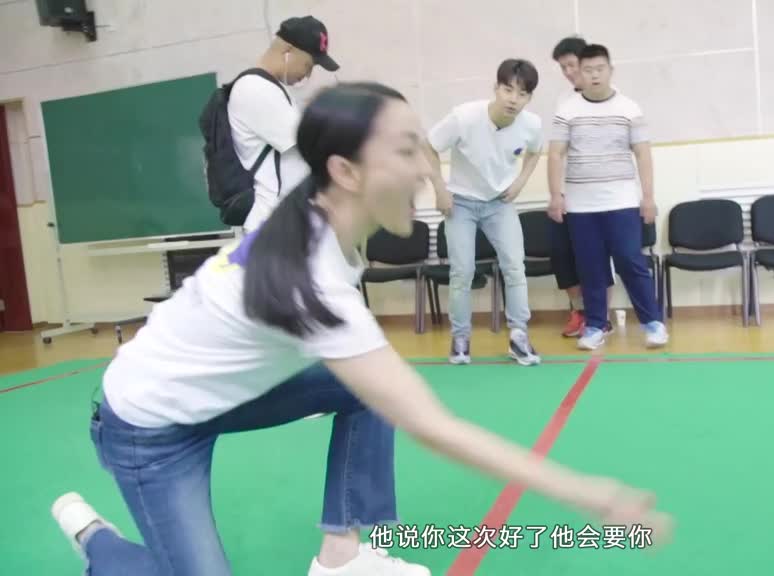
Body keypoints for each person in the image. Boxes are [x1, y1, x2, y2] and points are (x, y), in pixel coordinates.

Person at [50, 83, 671, 576]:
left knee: (365, 386)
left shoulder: (322, 220)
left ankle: (342, 555)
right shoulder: (309, 279)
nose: (426, 170)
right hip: (148, 426)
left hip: (217, 393)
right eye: (405, 152)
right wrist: (590, 494)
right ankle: (98, 542)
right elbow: (433, 426)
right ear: (346, 171)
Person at [547, 44, 669, 351]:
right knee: (591, 267)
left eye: (600, 69)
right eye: (588, 70)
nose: (594, 75)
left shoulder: (629, 108)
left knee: (630, 261)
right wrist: (555, 195)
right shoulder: (567, 110)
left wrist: (648, 197)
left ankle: (653, 324)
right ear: (580, 73)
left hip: (622, 202)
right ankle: (595, 326)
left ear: (610, 70)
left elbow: (643, 154)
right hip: (581, 206)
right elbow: (555, 154)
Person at [424, 59, 543, 366]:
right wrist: (439, 189)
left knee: (514, 267)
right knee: (462, 271)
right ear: (496, 88)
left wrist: (520, 182)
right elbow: (428, 145)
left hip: (499, 203)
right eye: (508, 90)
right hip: (460, 203)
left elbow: (535, 151)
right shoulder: (464, 117)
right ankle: (460, 338)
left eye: (522, 94)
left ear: (529, 98)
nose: (513, 99)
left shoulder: (531, 124)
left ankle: (519, 336)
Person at [230, 15, 339, 232]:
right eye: (308, 65)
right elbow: (310, 145)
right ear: (288, 50)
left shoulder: (271, 88)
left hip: (286, 224)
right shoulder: (255, 88)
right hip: (272, 227)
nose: (308, 74)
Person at [550, 36, 615, 338]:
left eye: (572, 65)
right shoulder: (564, 103)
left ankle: (602, 316)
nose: (568, 72)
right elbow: (558, 151)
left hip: (603, 195)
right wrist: (557, 193)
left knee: (598, 258)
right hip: (570, 192)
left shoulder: (610, 100)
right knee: (562, 253)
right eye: (563, 68)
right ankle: (580, 312)